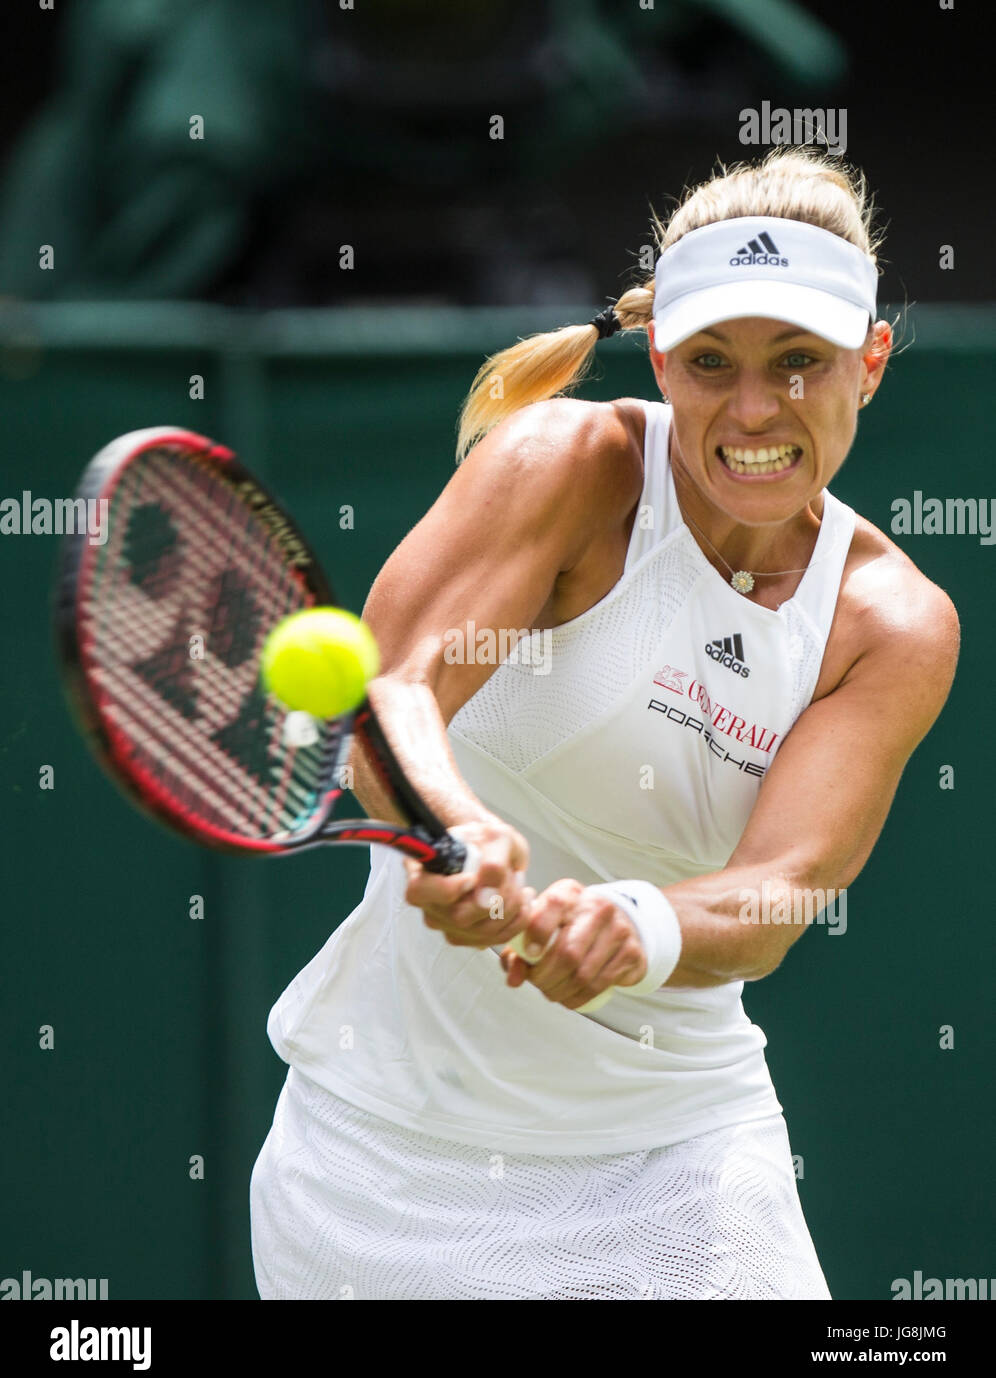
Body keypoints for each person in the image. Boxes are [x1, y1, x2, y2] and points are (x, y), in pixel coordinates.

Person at [249, 148, 959, 1300]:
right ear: (660, 357)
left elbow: (782, 889)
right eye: (712, 362)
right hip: (383, 1170)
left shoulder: (893, 623)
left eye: (801, 363)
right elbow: (393, 691)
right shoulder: (565, 464)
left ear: (870, 363)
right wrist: (458, 826)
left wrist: (641, 925)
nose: (754, 409)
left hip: (682, 1169)